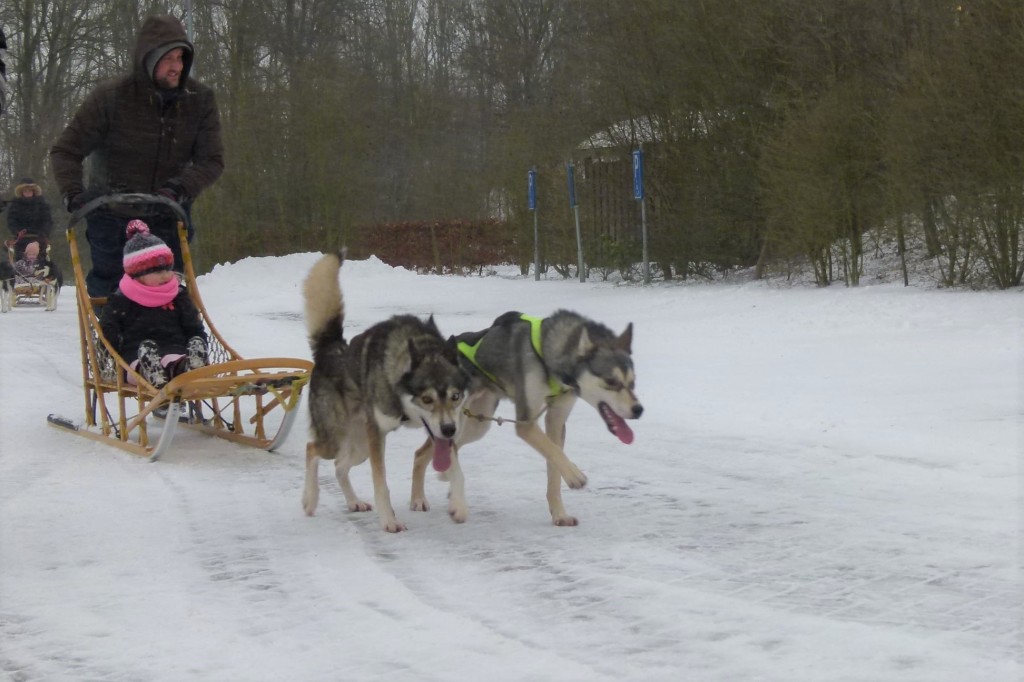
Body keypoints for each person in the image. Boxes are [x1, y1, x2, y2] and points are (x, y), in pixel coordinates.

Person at [50, 14, 224, 298]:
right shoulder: (110, 97)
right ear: (149, 58)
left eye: (181, 58)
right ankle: (107, 340)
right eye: (168, 59)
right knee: (112, 292)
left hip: (168, 214)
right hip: (110, 213)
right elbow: (66, 151)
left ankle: (174, 340)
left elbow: (211, 160)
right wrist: (73, 193)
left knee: (169, 293)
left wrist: (179, 188)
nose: (176, 67)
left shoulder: (199, 99)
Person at [99, 220, 208, 388]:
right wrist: (107, 357)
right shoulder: (122, 299)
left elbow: (193, 326)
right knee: (134, 366)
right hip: (134, 352)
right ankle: (148, 372)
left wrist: (198, 341)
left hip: (174, 347)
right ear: (137, 275)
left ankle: (188, 367)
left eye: (167, 269)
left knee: (174, 360)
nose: (165, 276)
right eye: (157, 271)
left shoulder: (177, 294)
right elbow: (109, 330)